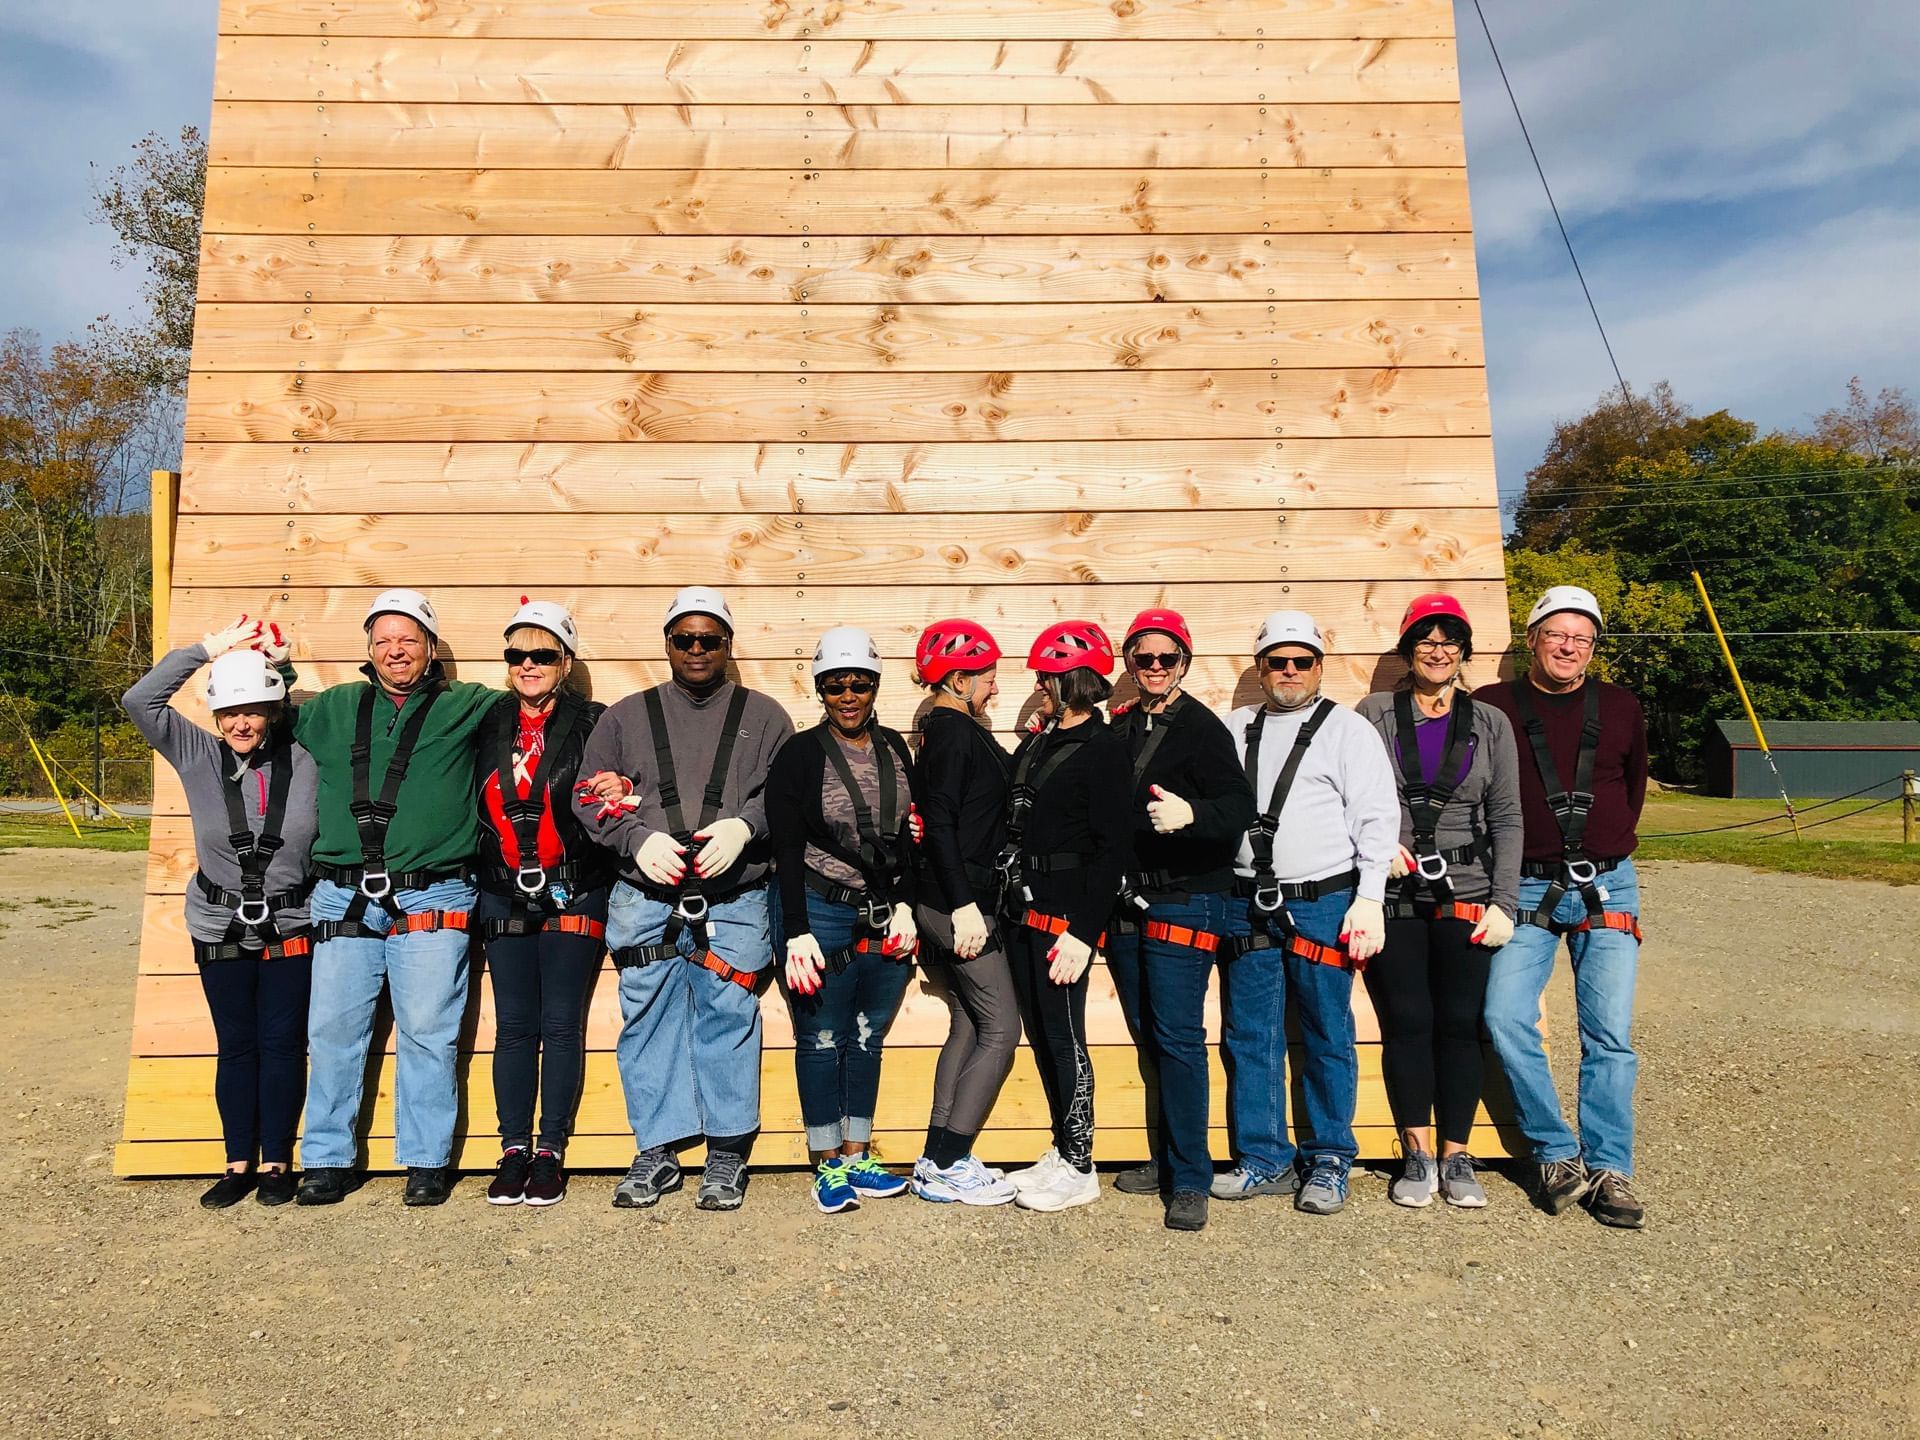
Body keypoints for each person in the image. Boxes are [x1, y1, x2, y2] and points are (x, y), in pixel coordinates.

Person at [573, 586, 793, 1212]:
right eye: (684, 639)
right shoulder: (623, 718)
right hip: (644, 894)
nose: (697, 650)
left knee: (729, 1016)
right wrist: (634, 838)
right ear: (667, 643)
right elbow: (589, 792)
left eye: (710, 640)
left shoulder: (767, 716)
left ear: (728, 645)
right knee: (648, 1016)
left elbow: (789, 790)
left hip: (736, 896)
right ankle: (657, 1149)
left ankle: (726, 1154)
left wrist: (747, 826)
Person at [294, 588, 499, 1207]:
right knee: (332, 1031)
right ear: (369, 651)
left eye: (409, 638)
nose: (395, 650)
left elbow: (541, 703)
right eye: (383, 640)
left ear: (431, 648)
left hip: (433, 891)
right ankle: (327, 1159)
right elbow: (255, 716)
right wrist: (267, 663)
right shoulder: (330, 708)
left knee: (430, 1032)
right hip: (343, 896)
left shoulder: (468, 705)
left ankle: (425, 1160)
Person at [124, 618, 317, 1209]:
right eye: (231, 712)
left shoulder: (308, 757)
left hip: (291, 920)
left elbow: (314, 709)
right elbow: (140, 699)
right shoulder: (197, 754)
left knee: (283, 1043)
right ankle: (238, 1162)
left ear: (274, 710)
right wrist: (211, 648)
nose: (241, 722)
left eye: (255, 710)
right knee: (236, 1044)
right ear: (214, 715)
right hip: (218, 921)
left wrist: (278, 665)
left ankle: (278, 1161)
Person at [1475, 585, 1650, 1229]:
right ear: (1533, 639)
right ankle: (1555, 1151)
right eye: (1556, 634)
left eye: (1582, 637)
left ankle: (1610, 1167)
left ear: (1594, 647)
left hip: (1608, 884)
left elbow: (1630, 791)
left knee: (1609, 1036)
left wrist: (1601, 844)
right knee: (1504, 1017)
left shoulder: (1622, 707)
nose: (1569, 646)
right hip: (1524, 885)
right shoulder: (1492, 706)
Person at [1217, 611, 1397, 1216]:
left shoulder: (1347, 732)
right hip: (1247, 904)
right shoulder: (1234, 727)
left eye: (1302, 661)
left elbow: (1376, 817)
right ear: (1261, 668)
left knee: (1325, 1029)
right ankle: (1264, 1158)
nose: (1289, 671)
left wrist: (1370, 897)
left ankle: (1328, 1158)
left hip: (1324, 902)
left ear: (1319, 667)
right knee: (1251, 1034)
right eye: (1277, 662)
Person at [1355, 594, 1523, 1209]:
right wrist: (1376, 851)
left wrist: (1505, 900)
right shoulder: (1373, 714)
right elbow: (1351, 794)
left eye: (1450, 640)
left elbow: (1506, 815)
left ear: (1464, 652)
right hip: (1395, 891)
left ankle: (1458, 1153)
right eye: (1425, 639)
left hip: (1468, 891)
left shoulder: (1488, 724)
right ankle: (1417, 1151)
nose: (1438, 650)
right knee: (1409, 1021)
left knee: (1459, 1023)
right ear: (1408, 649)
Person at [1107, 609, 1255, 1231]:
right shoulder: (1122, 728)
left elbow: (1239, 807)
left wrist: (1194, 815)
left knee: (1178, 1039)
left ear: (1185, 664)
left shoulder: (1202, 728)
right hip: (1130, 903)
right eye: (1145, 658)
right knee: (1151, 1036)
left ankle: (1190, 1176)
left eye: (1168, 658)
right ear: (1131, 665)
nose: (1157, 668)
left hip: (1187, 898)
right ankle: (1167, 1160)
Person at [768, 627, 922, 1214]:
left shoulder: (894, 750)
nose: (849, 696)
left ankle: (859, 1152)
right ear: (821, 690)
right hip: (822, 911)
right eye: (836, 686)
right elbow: (785, 847)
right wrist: (796, 928)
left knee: (866, 1035)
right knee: (822, 1034)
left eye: (859, 684)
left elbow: (904, 837)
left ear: (875, 685)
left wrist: (906, 898)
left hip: (881, 912)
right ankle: (827, 1161)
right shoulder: (801, 756)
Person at [473, 600, 613, 1208]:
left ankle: (550, 1150)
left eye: (542, 654)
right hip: (503, 886)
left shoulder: (596, 721)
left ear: (566, 661)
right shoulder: (484, 719)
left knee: (560, 1023)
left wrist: (622, 785)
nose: (528, 665)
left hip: (574, 885)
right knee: (513, 1026)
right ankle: (512, 1150)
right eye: (516, 655)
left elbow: (624, 770)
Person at [999, 622, 1131, 1214]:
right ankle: (1061, 1147)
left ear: (1073, 678)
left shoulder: (1105, 750)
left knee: (1066, 1034)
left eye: (1047, 676)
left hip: (1065, 919)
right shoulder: (1040, 740)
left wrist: (1085, 930)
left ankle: (1082, 1163)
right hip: (1024, 908)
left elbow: (1113, 848)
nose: (1039, 686)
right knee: (1043, 1035)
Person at [907, 619, 1019, 1206]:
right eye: (990, 676)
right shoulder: (951, 735)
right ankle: (950, 1162)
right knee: (1003, 1029)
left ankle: (935, 1158)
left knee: (969, 1024)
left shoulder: (950, 729)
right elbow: (941, 826)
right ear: (959, 676)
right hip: (957, 903)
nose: (996, 688)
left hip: (948, 900)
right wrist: (965, 906)